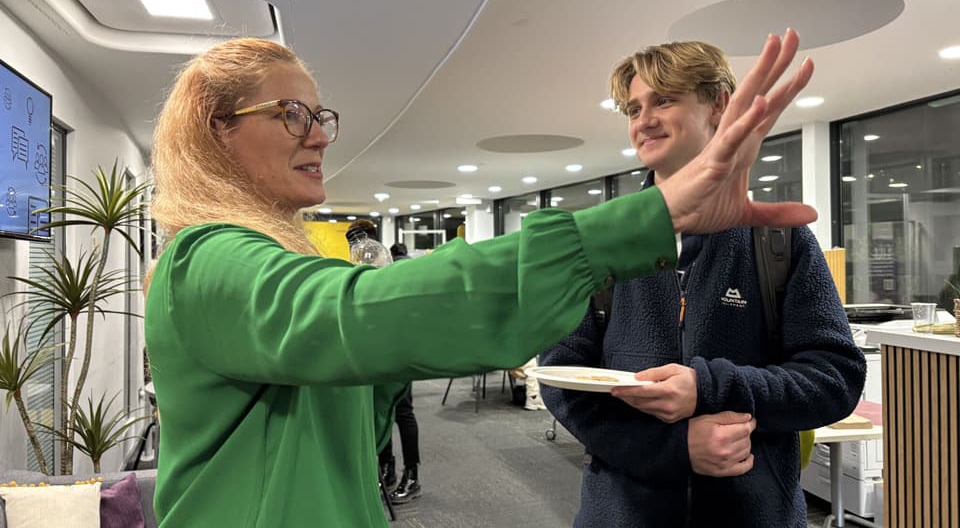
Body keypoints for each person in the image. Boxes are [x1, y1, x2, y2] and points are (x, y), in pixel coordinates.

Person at [145, 31, 815, 527]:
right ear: (217, 131)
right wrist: (654, 217)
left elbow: (352, 408)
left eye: (321, 118)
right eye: (293, 114)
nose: (320, 137)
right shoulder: (206, 259)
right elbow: (360, 316)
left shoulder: (779, 247)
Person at [540, 35, 865, 528]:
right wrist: (673, 448)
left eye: (664, 99)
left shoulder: (777, 238)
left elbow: (835, 377)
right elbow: (561, 376)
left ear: (718, 105)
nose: (643, 120)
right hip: (622, 511)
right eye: (633, 108)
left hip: (756, 513)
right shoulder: (603, 239)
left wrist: (712, 387)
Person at [345, 221, 423, 503]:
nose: (358, 249)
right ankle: (387, 468)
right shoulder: (363, 261)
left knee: (402, 410)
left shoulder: (387, 264)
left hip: (397, 344)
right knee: (381, 408)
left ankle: (412, 474)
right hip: (374, 344)